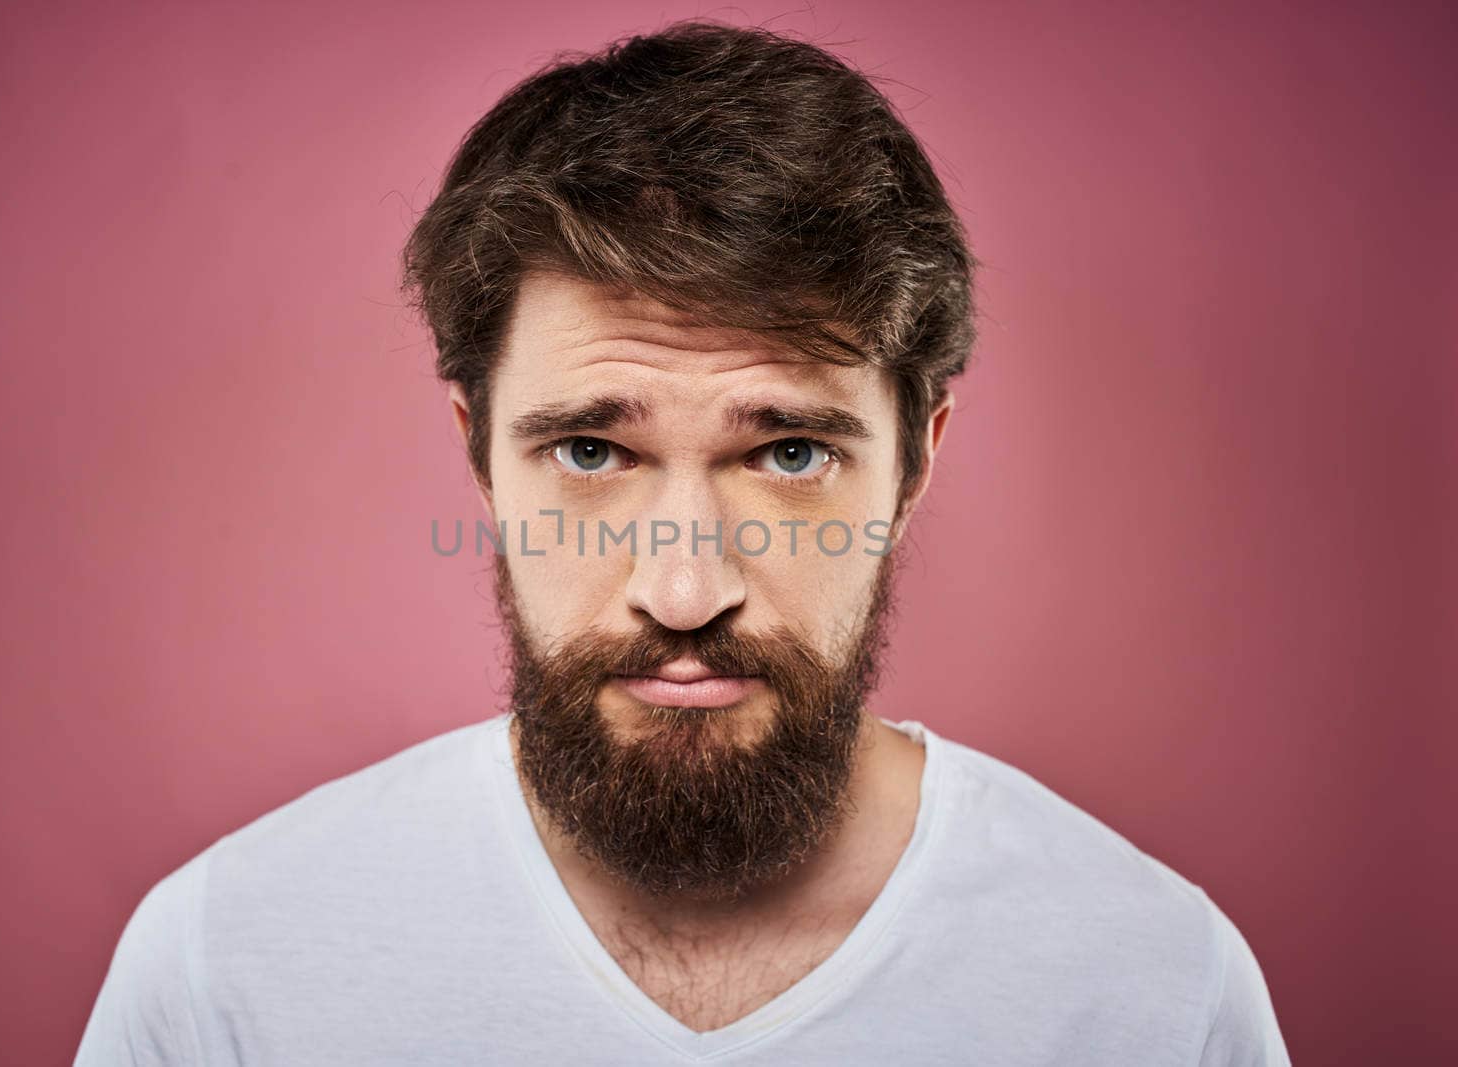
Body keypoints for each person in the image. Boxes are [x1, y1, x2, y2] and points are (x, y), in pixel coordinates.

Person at [76, 21, 1288, 1065]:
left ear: (917, 458)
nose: (685, 588)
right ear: (477, 452)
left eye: (790, 452)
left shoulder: (1154, 984)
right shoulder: (227, 960)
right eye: (592, 451)